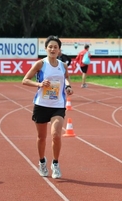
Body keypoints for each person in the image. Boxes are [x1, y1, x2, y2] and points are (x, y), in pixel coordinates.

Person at [22, 35, 73, 179]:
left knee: (56, 135)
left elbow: (67, 78)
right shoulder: (40, 64)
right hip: (41, 104)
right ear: (46, 49)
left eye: (55, 47)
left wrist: (68, 87)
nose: (52, 49)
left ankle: (55, 164)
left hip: (58, 105)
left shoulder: (63, 65)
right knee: (41, 137)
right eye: (50, 47)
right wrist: (39, 84)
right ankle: (42, 162)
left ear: (59, 50)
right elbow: (25, 80)